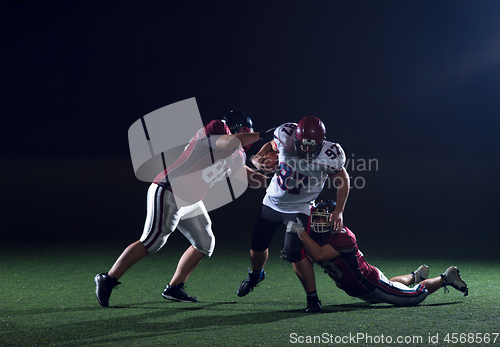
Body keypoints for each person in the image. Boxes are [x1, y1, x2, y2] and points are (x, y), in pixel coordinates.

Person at [95, 111, 274, 307]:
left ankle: (174, 287)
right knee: (152, 241)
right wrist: (265, 134)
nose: (249, 136)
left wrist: (278, 183)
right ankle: (108, 278)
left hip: (191, 200)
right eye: (245, 131)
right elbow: (229, 141)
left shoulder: (238, 155)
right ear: (233, 127)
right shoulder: (216, 129)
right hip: (169, 190)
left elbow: (247, 175)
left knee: (205, 243)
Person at [236, 116, 350, 312]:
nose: (306, 150)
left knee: (295, 253)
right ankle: (256, 274)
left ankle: (313, 299)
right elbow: (268, 147)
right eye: (303, 145)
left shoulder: (331, 155)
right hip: (271, 202)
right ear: (295, 138)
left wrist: (339, 210)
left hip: (300, 208)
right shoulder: (284, 135)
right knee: (257, 246)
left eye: (312, 146)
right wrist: (258, 161)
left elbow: (342, 178)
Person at [286, 200, 469, 306]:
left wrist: (300, 233)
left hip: (370, 284)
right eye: (316, 218)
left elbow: (318, 255)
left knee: (415, 297)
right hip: (360, 288)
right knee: (390, 285)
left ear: (335, 219)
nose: (318, 223)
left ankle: (446, 277)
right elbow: (309, 256)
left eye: (323, 219)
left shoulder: (343, 237)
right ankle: (416, 275)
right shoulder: (318, 236)